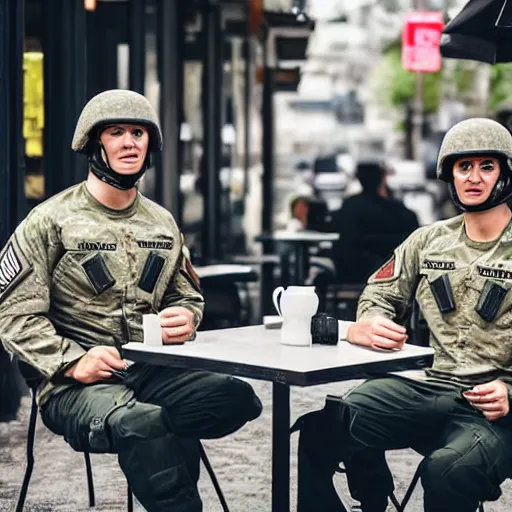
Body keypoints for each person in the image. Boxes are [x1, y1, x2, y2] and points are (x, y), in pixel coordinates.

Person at [0, 89, 262, 512]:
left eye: (138, 132)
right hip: (73, 384)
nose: (129, 142)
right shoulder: (49, 220)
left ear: (149, 144)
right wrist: (71, 360)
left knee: (237, 398)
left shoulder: (162, 222)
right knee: (141, 421)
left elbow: (186, 293)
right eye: (116, 132)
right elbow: (13, 315)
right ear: (94, 144)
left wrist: (186, 315)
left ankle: (152, 440)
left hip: (153, 371)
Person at [295, 118, 512, 512]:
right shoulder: (428, 241)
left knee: (447, 470)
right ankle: (372, 500)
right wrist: (370, 322)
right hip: (429, 387)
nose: (474, 178)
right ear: (450, 175)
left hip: (493, 408)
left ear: (506, 172)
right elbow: (379, 293)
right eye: (464, 167)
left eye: (486, 166)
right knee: (324, 427)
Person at [330, 160, 419, 284]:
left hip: (350, 274)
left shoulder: (349, 206)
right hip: (390, 274)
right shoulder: (398, 211)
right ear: (382, 179)